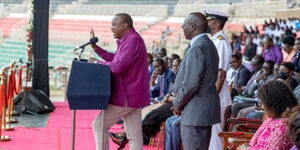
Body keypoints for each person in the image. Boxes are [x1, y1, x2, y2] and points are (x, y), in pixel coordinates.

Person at [88, 13, 149, 150]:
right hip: (133, 96)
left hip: (127, 96)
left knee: (99, 124)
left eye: (114, 25)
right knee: (134, 135)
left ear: (124, 25)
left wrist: (96, 62)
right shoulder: (130, 40)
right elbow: (116, 59)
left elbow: (117, 67)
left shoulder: (132, 40)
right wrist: (96, 49)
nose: (111, 28)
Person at [171, 12, 220, 150]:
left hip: (196, 111)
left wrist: (177, 104)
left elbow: (190, 85)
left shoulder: (197, 48)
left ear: (193, 27)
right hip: (201, 110)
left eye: (184, 25)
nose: (182, 27)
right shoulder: (208, 44)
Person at [205, 9, 232, 150]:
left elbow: (220, 74)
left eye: (208, 20)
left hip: (216, 95)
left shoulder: (220, 42)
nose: (206, 23)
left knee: (214, 134)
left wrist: (212, 97)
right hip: (213, 94)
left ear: (216, 24)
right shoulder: (215, 40)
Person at [246, 80, 298, 149]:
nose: (262, 107)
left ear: (274, 104)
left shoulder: (283, 126)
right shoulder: (273, 118)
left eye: (264, 104)